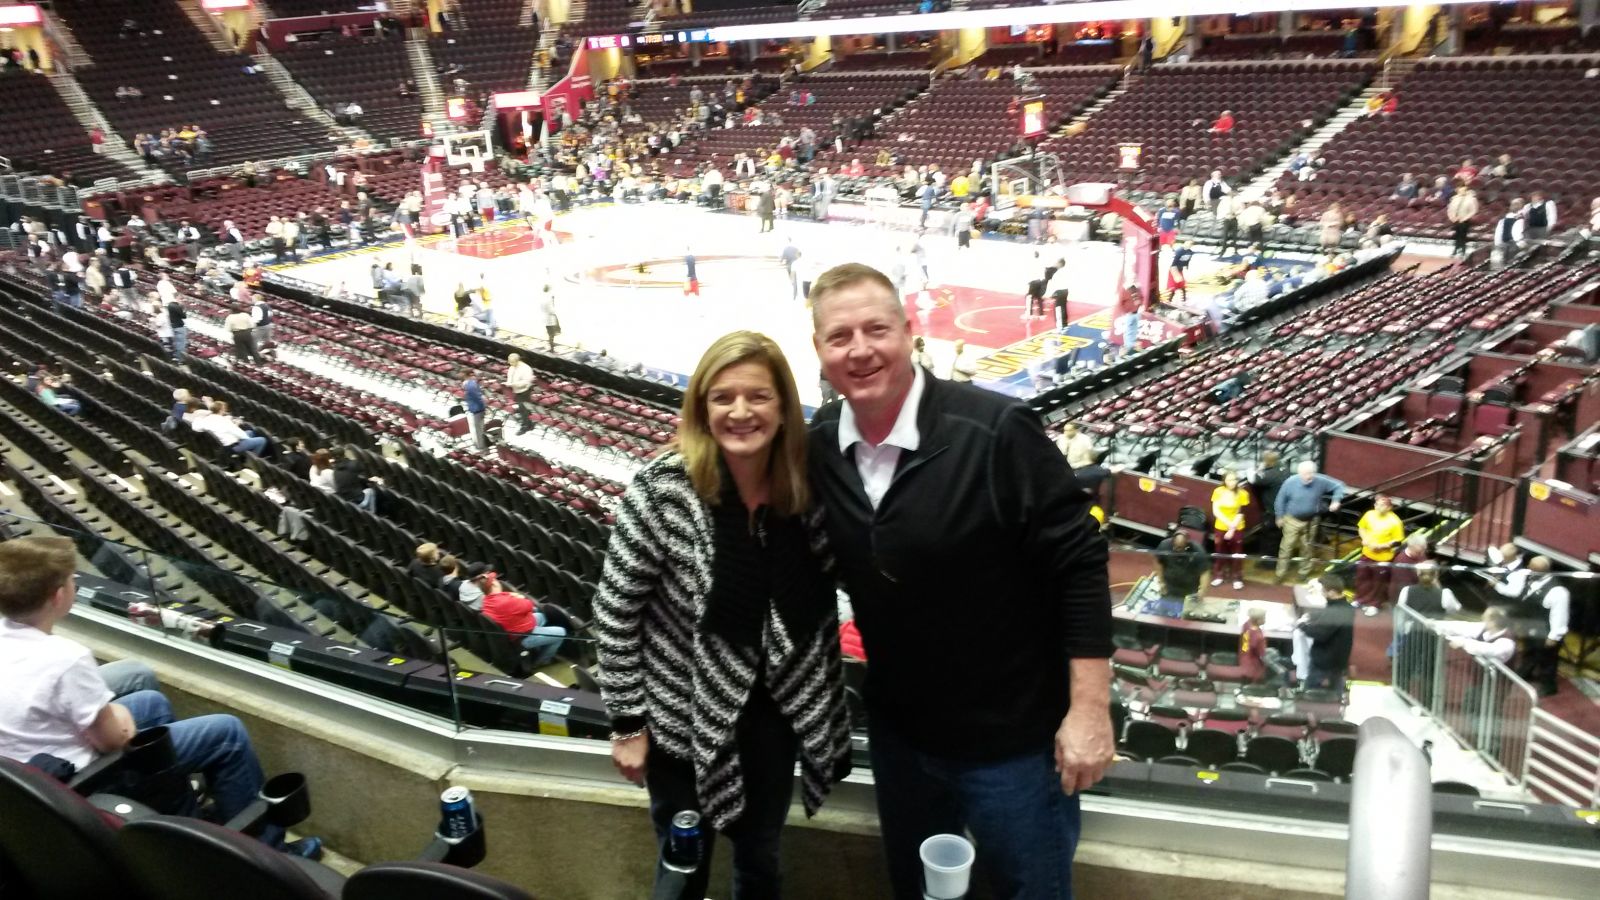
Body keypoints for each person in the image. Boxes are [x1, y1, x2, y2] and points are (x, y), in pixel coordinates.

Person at [806, 263, 1113, 900]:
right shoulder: (815, 449)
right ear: (818, 351)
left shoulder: (997, 431)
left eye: (876, 329)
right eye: (840, 337)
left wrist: (1088, 710)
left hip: (1014, 746)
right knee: (919, 894)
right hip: (902, 738)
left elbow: (1080, 565)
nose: (860, 350)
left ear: (910, 331)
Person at [594, 331, 851, 900]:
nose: (740, 412)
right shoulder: (661, 491)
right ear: (701, 408)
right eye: (722, 397)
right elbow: (615, 616)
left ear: (784, 407)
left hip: (773, 719)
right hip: (679, 721)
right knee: (682, 863)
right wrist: (628, 726)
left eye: (758, 396)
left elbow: (833, 592)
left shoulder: (807, 493)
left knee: (761, 859)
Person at [0, 536, 321, 858]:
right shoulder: (65, 658)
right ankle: (268, 852)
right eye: (72, 580)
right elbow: (114, 740)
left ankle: (176, 813)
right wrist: (120, 718)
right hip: (80, 782)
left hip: (24, 776)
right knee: (227, 732)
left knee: (152, 704)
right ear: (59, 596)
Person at [1493, 556, 1570, 696]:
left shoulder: (1558, 592)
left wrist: (1554, 636)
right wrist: (1498, 585)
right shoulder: (1529, 579)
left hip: (1546, 632)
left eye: (1532, 568)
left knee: (1548, 660)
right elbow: (1515, 592)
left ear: (1540, 571)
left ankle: (1549, 686)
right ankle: (1526, 672)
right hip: (1531, 626)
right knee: (1529, 651)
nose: (1528, 569)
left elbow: (1559, 616)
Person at [478, 570, 567, 668]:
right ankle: (543, 661)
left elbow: (509, 600)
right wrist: (519, 597)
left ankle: (539, 646)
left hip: (515, 628)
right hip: (522, 637)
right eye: (495, 580)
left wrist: (514, 597)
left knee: (541, 616)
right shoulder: (505, 602)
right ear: (494, 584)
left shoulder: (487, 600)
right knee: (561, 632)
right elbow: (529, 605)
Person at [1273, 461, 1345, 582]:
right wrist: (1279, 516)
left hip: (1311, 521)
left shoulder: (1320, 480)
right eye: (1306, 473)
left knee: (1307, 548)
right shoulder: (1290, 482)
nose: (1309, 476)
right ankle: (1280, 574)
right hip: (1292, 520)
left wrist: (1336, 500)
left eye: (1311, 473)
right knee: (1286, 548)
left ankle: (1304, 572)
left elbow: (1339, 486)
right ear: (1300, 473)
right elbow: (1280, 500)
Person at [1298, 574, 1354, 693]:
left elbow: (1320, 634)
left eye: (1323, 591)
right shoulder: (1346, 607)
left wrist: (1302, 625)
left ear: (1332, 592)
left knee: (1315, 696)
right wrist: (1314, 616)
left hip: (1325, 665)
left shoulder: (1335, 612)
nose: (1321, 594)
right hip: (1337, 662)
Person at [1353, 495, 1404, 616]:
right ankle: (1360, 599)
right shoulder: (1369, 514)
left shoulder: (1395, 521)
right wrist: (1364, 539)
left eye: (1381, 505)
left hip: (1383, 557)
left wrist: (1382, 546)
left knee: (1378, 582)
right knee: (1362, 577)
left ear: (1389, 507)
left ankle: (1374, 604)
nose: (1377, 507)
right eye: (1376, 504)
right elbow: (1362, 528)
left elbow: (1397, 541)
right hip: (1367, 553)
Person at [1153, 529, 1209, 616]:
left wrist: (1202, 590)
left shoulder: (1198, 550)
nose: (1176, 549)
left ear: (1187, 544)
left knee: (1186, 617)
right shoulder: (1164, 545)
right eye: (1175, 546)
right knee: (1163, 615)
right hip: (1169, 587)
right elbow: (1158, 563)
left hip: (1189, 589)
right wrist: (1161, 582)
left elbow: (1205, 571)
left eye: (1180, 548)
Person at [1210, 471, 1249, 591]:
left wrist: (1232, 528)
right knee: (1220, 551)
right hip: (1221, 526)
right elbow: (1216, 511)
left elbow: (1241, 512)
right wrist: (1228, 524)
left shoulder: (1243, 493)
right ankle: (1219, 575)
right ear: (1224, 481)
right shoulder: (1218, 491)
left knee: (1237, 553)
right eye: (1229, 480)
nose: (1232, 482)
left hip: (1237, 526)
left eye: (1234, 480)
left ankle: (1237, 578)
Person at [1441, 607, 1517, 665]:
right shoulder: (1486, 628)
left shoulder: (1507, 642)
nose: (1483, 620)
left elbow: (1488, 649)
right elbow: (1462, 627)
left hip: (1499, 683)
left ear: (1493, 622)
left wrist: (1464, 642)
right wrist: (1433, 624)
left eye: (1485, 619)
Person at [1447, 185, 1479, 258]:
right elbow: (1450, 209)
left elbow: (1473, 210)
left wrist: (1465, 218)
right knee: (1457, 235)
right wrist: (1452, 217)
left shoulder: (1471, 199)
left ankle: (1462, 250)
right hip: (1456, 220)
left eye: (1463, 190)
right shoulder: (1454, 199)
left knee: (1462, 236)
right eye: (1460, 190)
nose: (1462, 191)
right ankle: (1456, 249)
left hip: (1465, 220)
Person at [506, 353, 534, 434]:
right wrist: (509, 382)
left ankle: (525, 426)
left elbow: (526, 382)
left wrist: (512, 384)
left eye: (511, 362)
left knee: (523, 409)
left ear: (517, 361)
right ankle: (530, 424)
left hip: (525, 391)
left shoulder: (526, 369)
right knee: (522, 409)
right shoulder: (512, 366)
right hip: (516, 390)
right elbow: (510, 375)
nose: (509, 364)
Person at [1239, 607, 1269, 683]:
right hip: (1253, 665)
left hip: (1243, 656)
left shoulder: (1247, 625)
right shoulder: (1259, 637)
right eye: (1264, 618)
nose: (1265, 619)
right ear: (1258, 620)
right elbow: (1262, 654)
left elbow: (1245, 645)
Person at [462, 370, 487, 450]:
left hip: (476, 408)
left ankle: (481, 445)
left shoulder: (470, 384)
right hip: (476, 408)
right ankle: (481, 445)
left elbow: (476, 397)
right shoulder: (470, 384)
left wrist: (482, 406)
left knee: (479, 428)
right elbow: (477, 397)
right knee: (479, 428)